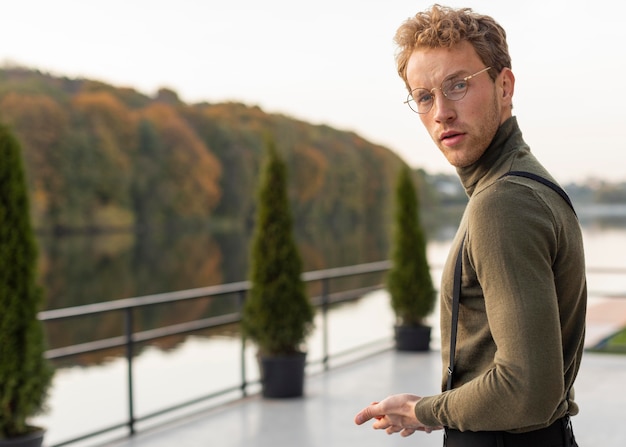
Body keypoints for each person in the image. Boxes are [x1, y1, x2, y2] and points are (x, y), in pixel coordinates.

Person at [354, 5, 586, 447]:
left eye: (457, 86)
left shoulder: (503, 201)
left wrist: (421, 410)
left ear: (504, 86)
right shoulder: (521, 183)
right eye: (423, 96)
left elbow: (528, 390)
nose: (440, 112)